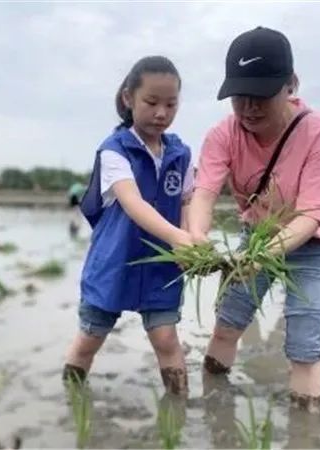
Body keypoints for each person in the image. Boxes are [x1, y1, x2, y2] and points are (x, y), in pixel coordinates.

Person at [187, 27, 320, 413]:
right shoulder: (223, 134)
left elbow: (310, 213)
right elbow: (204, 193)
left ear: (290, 85)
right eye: (240, 97)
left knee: (305, 344)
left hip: (313, 243)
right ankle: (214, 411)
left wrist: (261, 255)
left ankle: (304, 429)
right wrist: (196, 235)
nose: (249, 108)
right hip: (254, 235)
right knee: (228, 322)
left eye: (261, 95)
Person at [63, 56, 194, 395]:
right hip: (113, 265)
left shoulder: (180, 154)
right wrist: (180, 237)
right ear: (128, 98)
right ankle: (71, 400)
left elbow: (187, 201)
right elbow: (132, 203)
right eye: (151, 102)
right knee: (89, 340)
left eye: (171, 104)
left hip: (161, 267)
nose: (161, 113)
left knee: (167, 339)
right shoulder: (114, 151)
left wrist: (192, 238)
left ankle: (178, 408)